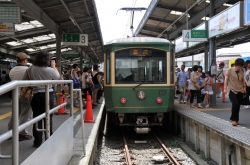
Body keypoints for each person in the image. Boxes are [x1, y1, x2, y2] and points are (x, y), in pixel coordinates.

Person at [22, 51, 60, 147]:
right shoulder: (50, 70)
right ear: (47, 60)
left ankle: (38, 141)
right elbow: (58, 77)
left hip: (36, 96)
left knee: (37, 118)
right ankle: (49, 139)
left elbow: (23, 81)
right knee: (48, 117)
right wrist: (54, 66)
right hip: (48, 95)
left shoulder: (30, 69)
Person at [7, 52, 33, 141]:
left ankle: (10, 132)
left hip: (15, 95)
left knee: (14, 114)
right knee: (25, 114)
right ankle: (22, 132)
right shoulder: (28, 70)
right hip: (25, 95)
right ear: (25, 60)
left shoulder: (12, 70)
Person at [224, 58, 245, 126]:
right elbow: (226, 80)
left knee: (238, 105)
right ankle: (233, 119)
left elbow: (243, 79)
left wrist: (244, 87)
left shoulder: (242, 70)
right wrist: (225, 88)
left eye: (241, 66)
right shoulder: (229, 70)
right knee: (235, 103)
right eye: (239, 66)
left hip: (240, 90)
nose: (240, 67)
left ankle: (236, 119)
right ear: (236, 65)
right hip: (232, 90)